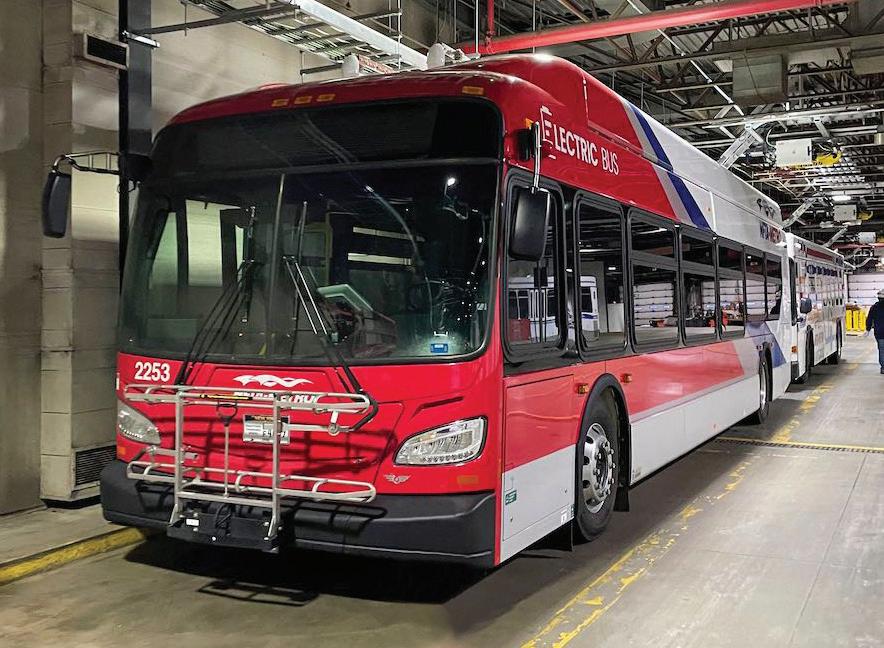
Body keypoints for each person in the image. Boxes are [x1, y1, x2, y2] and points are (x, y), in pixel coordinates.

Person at [867, 288, 884, 374]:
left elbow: (869, 319)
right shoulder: (874, 307)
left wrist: (868, 329)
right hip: (879, 332)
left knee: (882, 350)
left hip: (879, 333)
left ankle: (883, 367)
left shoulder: (874, 307)